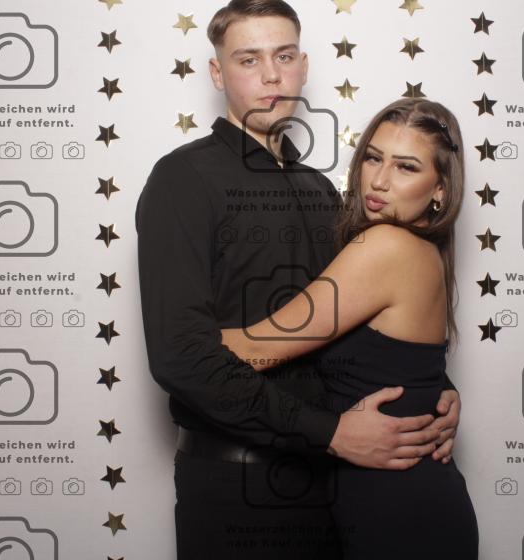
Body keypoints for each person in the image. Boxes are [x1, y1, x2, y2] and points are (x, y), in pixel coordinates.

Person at [136, 1, 462, 558]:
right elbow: (179, 360)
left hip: (341, 484)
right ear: (217, 73)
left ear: (303, 67)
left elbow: (363, 321)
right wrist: (328, 432)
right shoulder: (182, 179)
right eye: (249, 59)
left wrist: (432, 391)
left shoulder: (322, 191)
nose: (271, 76)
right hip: (239, 486)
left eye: (284, 57)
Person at [220, 97, 479, 558]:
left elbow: (255, 350)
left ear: (440, 189)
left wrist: (174, 333)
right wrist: (443, 387)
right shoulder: (422, 251)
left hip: (403, 514)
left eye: (406, 167)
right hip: (393, 502)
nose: (379, 180)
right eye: (374, 158)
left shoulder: (387, 245)